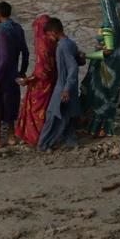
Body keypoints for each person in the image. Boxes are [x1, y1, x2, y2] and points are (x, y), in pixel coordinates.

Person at [80, 0, 120, 137]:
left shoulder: (108, 25)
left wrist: (86, 55)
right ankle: (104, 127)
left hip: (105, 67)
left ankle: (93, 128)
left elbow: (108, 50)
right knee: (110, 94)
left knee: (98, 93)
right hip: (118, 65)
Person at [0, 1, 30, 149]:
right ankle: (11, 137)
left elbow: (3, 58)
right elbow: (26, 52)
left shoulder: (2, 31)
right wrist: (22, 70)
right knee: (10, 103)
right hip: (13, 72)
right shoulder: (18, 28)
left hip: (1, 73)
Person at [35, 18, 83, 150]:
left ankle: (43, 144)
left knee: (53, 114)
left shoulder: (62, 46)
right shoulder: (71, 43)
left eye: (49, 34)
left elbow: (73, 67)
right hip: (71, 84)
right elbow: (78, 61)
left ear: (54, 31)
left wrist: (66, 89)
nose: (49, 37)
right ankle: (70, 140)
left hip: (63, 85)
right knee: (68, 113)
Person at [15, 15, 58, 146]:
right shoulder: (54, 41)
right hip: (53, 80)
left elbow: (43, 71)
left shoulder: (43, 45)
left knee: (37, 109)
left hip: (42, 82)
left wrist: (29, 79)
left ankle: (37, 137)